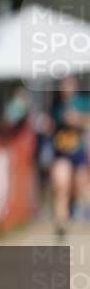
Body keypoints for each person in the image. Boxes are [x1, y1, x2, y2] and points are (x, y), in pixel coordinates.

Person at [48, 75, 90, 238]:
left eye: (68, 86)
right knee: (61, 185)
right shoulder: (55, 105)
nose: (65, 90)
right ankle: (61, 223)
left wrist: (77, 119)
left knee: (79, 188)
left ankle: (74, 208)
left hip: (78, 154)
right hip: (61, 154)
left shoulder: (82, 102)